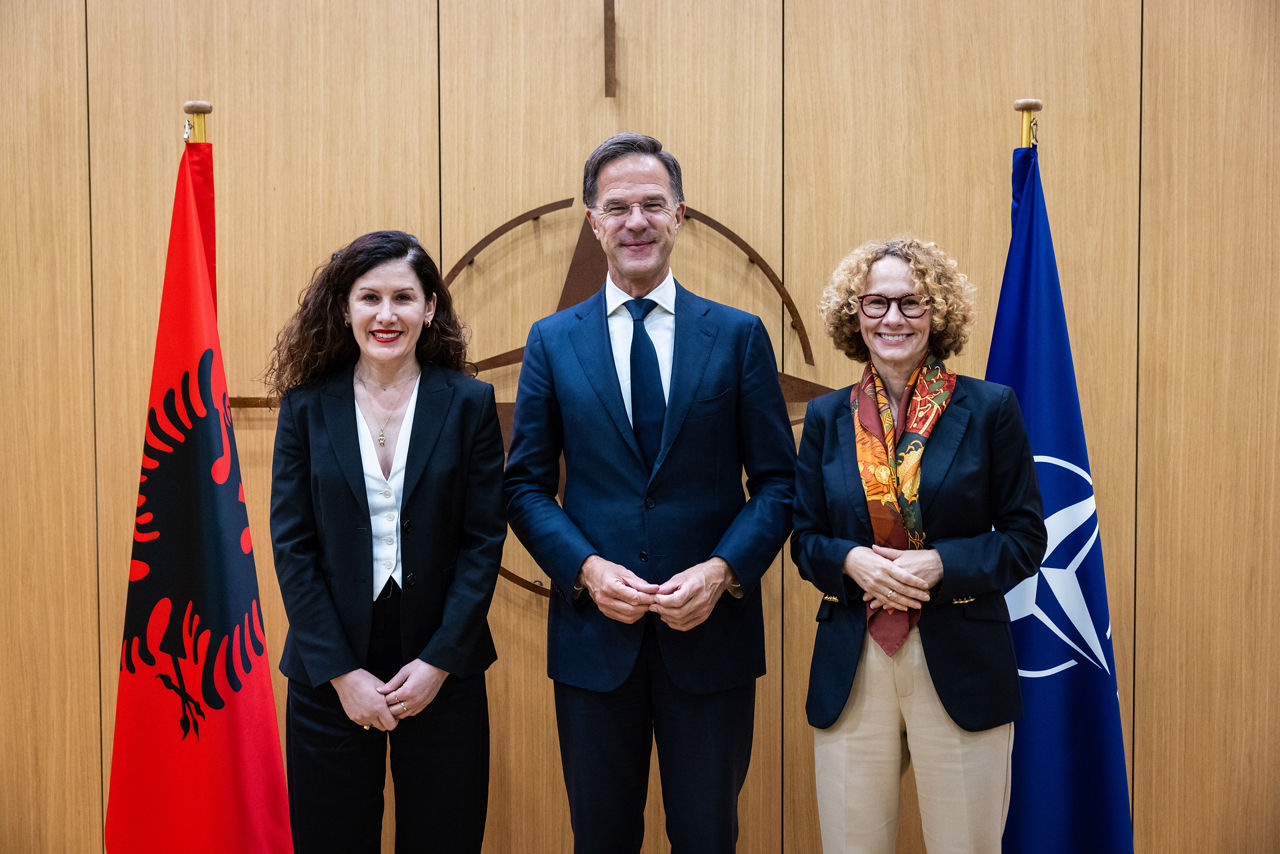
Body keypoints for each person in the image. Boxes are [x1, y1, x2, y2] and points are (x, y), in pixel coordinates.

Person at [503, 133, 795, 853]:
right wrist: (586, 570)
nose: (636, 220)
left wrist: (723, 572)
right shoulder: (551, 340)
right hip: (595, 641)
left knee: (707, 835)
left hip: (712, 638)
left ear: (680, 216)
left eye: (652, 205)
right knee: (600, 837)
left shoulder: (737, 336)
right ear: (594, 221)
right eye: (618, 207)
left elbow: (781, 483)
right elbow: (527, 487)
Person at [792, 237, 1047, 853]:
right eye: (875, 303)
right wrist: (849, 560)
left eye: (912, 303)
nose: (893, 319)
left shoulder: (990, 409)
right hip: (856, 659)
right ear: (855, 314)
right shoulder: (827, 417)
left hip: (958, 653)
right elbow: (805, 539)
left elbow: (1024, 538)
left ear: (939, 313)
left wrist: (942, 563)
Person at [265, 230, 505, 853]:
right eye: (369, 297)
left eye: (404, 297)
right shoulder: (306, 409)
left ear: (430, 308)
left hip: (442, 666)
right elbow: (292, 547)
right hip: (330, 669)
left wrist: (438, 664)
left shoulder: (470, 404)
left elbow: (483, 543)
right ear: (345, 308)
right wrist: (343, 675)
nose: (386, 315)